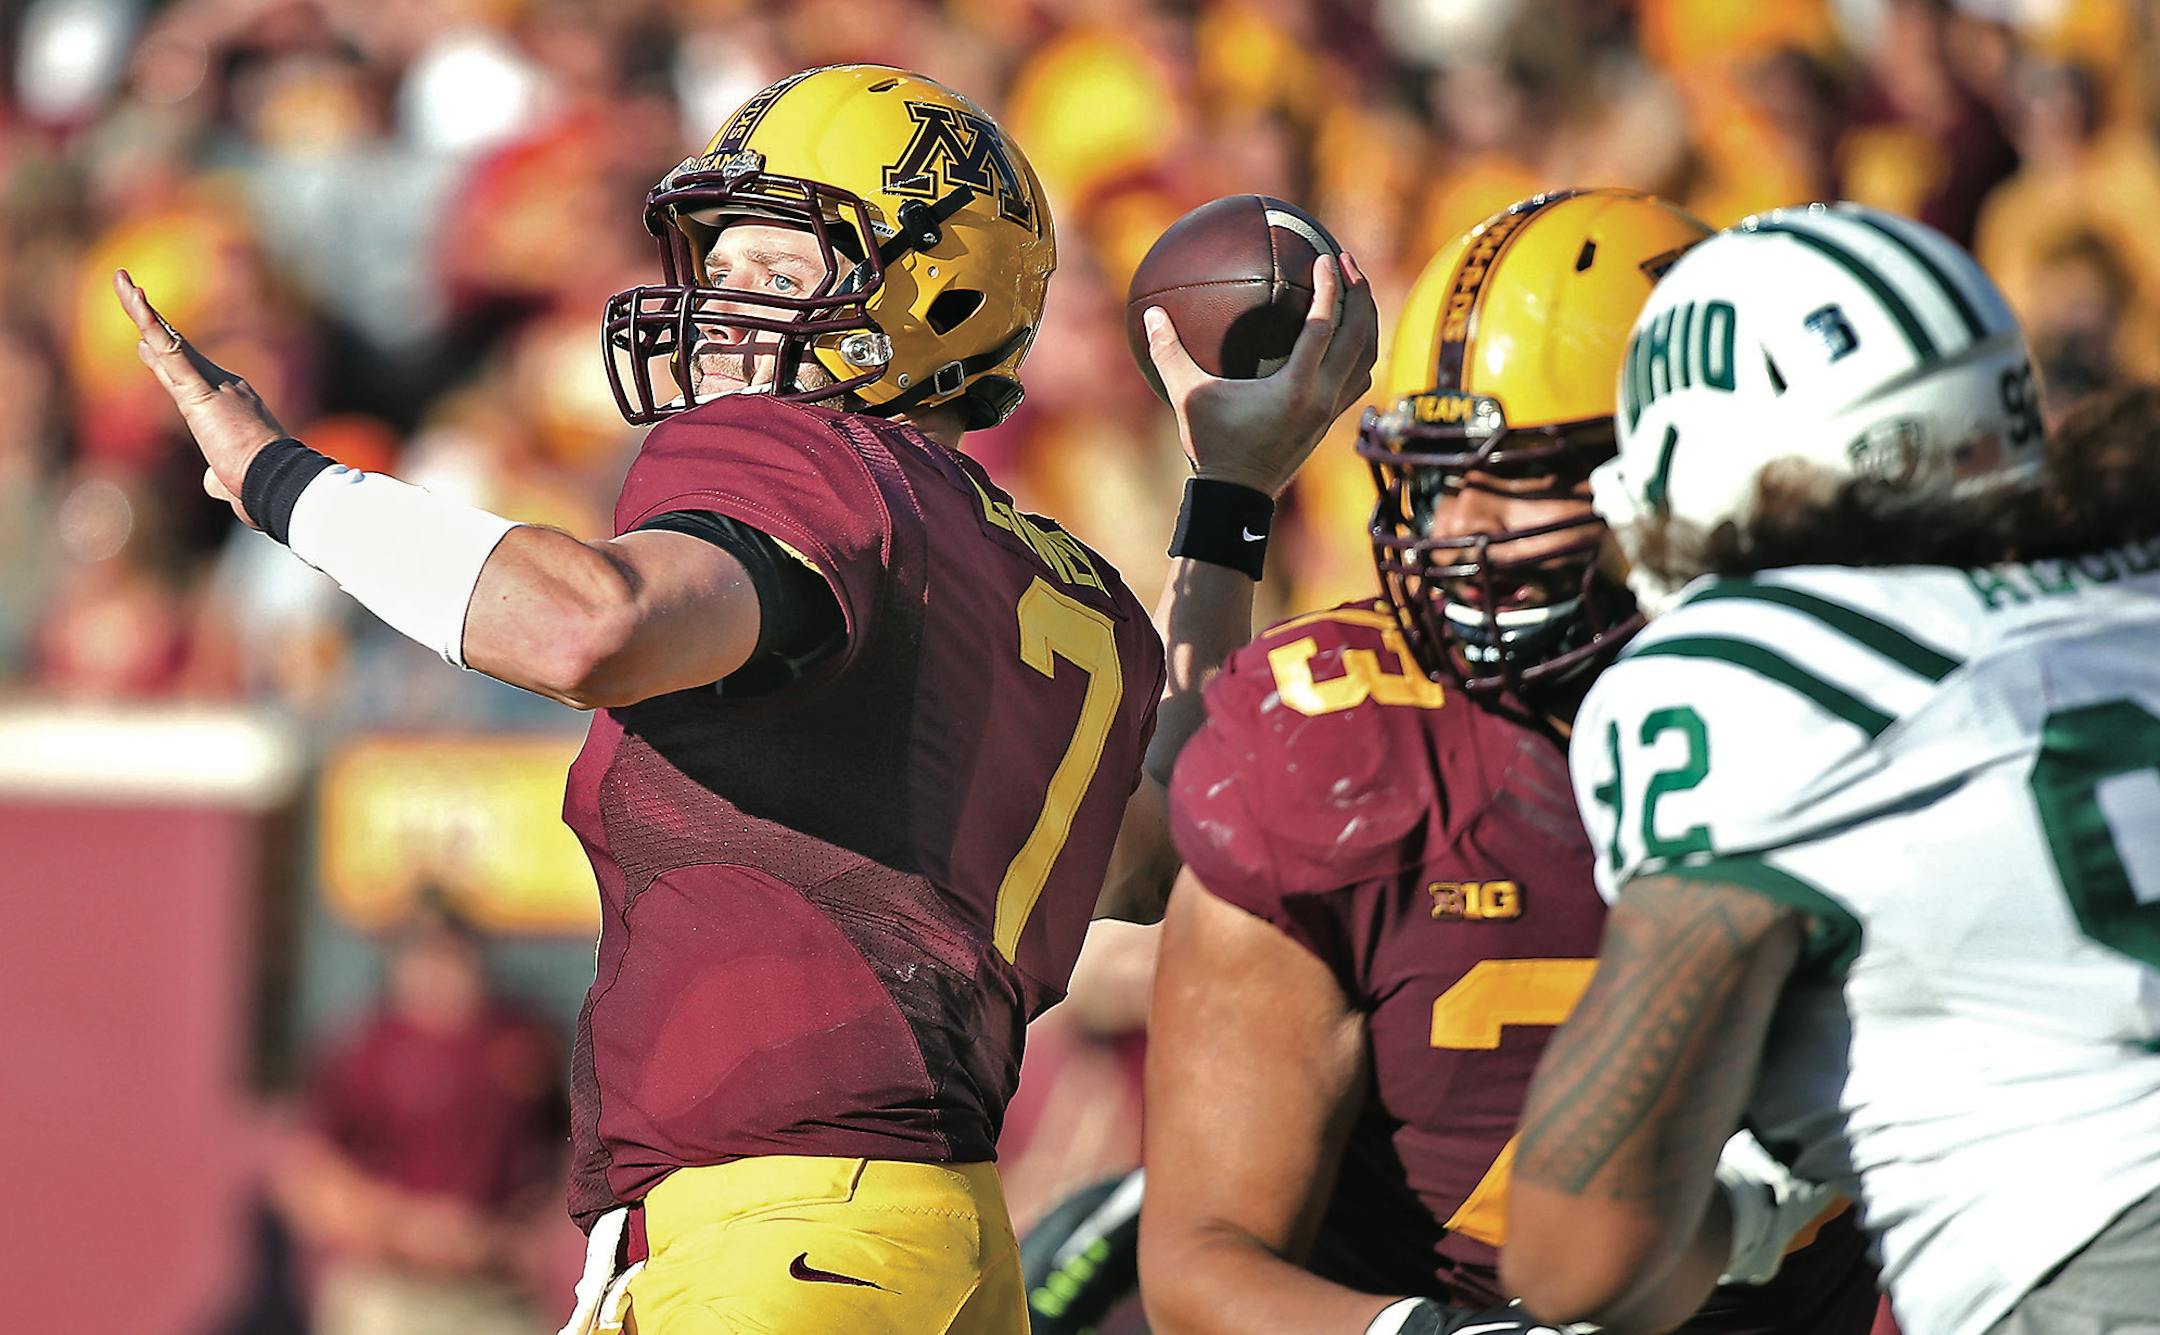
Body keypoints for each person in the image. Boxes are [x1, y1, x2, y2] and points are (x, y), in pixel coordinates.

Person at [117, 64, 1377, 1335]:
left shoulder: (812, 457)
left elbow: (589, 624)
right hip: (935, 1249)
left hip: (781, 1249)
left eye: (777, 272)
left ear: (936, 294)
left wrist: (286, 481)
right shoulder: (1071, 592)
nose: (722, 312)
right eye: (718, 269)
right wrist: (1233, 495)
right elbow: (1160, 845)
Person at [1139, 190, 1879, 1335]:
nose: (1459, 529)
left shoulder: (1886, 713)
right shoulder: (1337, 738)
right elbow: (1202, 1268)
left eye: (1522, 475)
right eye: (1439, 477)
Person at [1503, 204, 2160, 1335]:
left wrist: (1738, 1196)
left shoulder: (1748, 674)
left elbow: (1579, 1255)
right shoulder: (2125, 588)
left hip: (2093, 1249)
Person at [275, 896, 565, 1335]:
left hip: (492, 1289)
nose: (440, 972)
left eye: (452, 955)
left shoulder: (519, 1043)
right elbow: (308, 1176)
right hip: (391, 1288)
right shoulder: (366, 1049)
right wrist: (405, 1227)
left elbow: (566, 1149)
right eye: (426, 956)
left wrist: (509, 1234)